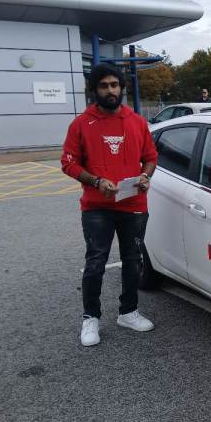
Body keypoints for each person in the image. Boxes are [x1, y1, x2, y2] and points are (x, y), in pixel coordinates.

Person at [61, 63, 159, 347]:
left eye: (114, 85)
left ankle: (128, 312)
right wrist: (96, 181)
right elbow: (68, 163)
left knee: (133, 260)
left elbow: (151, 157)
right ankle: (90, 318)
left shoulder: (136, 121)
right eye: (103, 86)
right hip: (97, 206)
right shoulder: (81, 124)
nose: (110, 90)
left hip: (133, 203)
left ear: (122, 88)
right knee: (96, 263)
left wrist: (145, 176)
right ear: (94, 90)